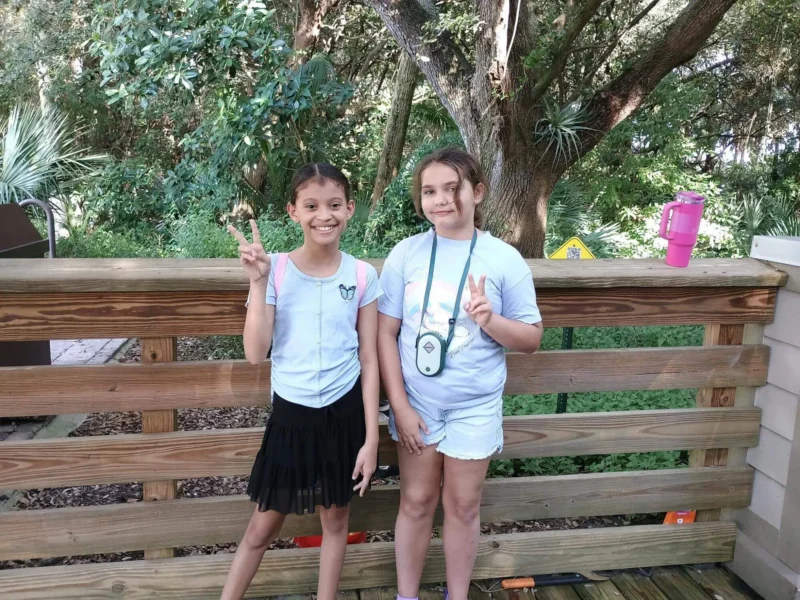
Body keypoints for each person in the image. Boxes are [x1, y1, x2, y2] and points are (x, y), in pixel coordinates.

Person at [377, 147, 543, 600]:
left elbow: (531, 338)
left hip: (475, 406)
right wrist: (401, 407)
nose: (441, 200)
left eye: (452, 189)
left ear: (478, 192)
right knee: (414, 502)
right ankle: (405, 596)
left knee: (464, 506)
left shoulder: (503, 258)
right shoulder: (406, 254)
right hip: (419, 406)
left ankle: (457, 596)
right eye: (429, 191)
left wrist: (491, 320)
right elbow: (384, 334)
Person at [221, 163, 381, 600]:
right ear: (293, 211)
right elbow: (256, 352)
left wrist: (370, 440)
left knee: (336, 523)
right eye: (311, 206)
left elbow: (369, 358)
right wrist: (256, 282)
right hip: (291, 416)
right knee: (261, 527)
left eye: (333, 205)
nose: (323, 215)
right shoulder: (277, 271)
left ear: (350, 209)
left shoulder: (363, 275)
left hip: (343, 416)